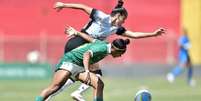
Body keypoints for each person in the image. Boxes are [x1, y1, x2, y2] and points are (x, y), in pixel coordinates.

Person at [53, 0, 165, 101]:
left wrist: (153, 34)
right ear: (118, 16)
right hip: (78, 43)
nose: (124, 22)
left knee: (77, 76)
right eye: (124, 19)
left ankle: (53, 95)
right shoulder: (101, 16)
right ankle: (76, 92)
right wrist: (64, 5)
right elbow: (83, 7)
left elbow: (133, 35)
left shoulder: (115, 28)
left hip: (87, 48)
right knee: (94, 76)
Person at [35, 26, 131, 101]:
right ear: (116, 49)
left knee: (99, 85)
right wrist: (87, 71)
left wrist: (76, 32)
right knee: (54, 87)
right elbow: (86, 54)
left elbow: (91, 39)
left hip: (79, 67)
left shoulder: (105, 45)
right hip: (70, 61)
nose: (120, 56)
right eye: (121, 53)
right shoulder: (103, 48)